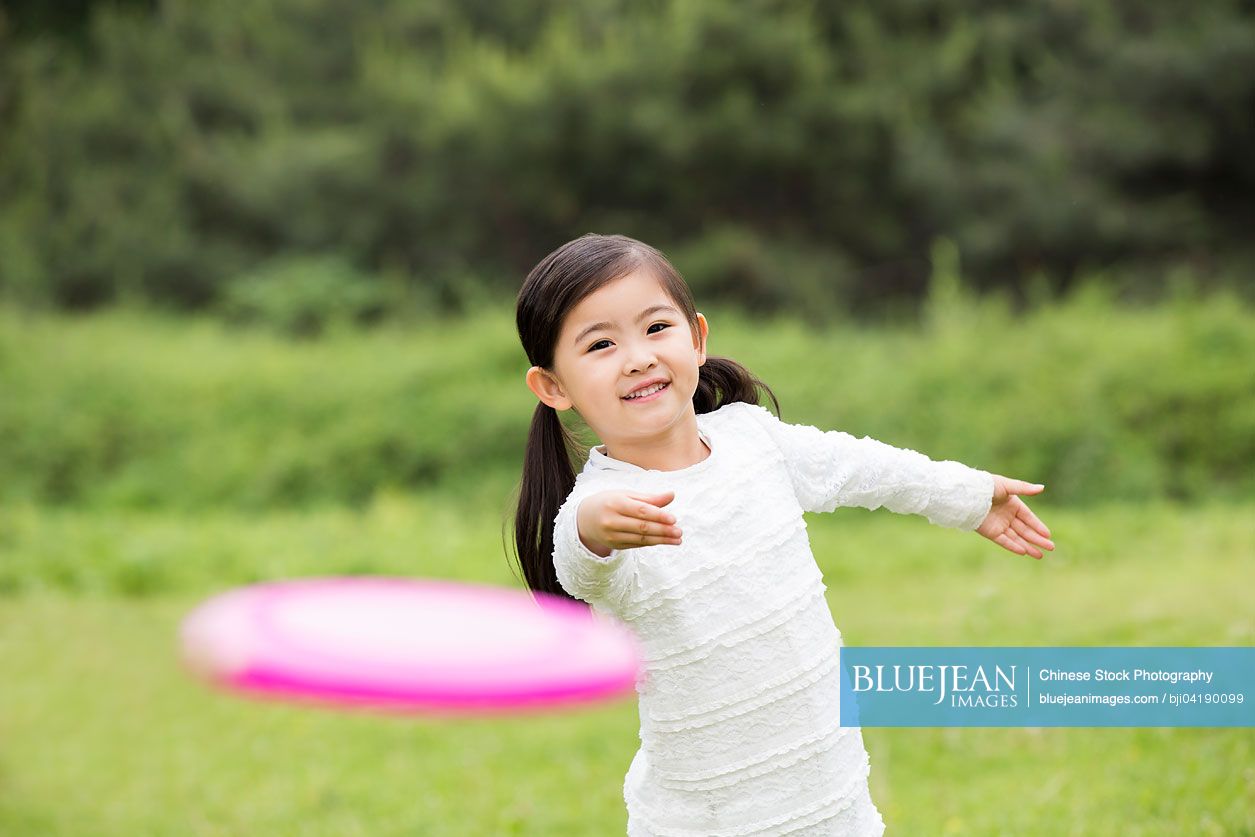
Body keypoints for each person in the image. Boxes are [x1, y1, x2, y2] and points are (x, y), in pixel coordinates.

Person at [510, 233, 1054, 836]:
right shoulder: (603, 505)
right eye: (601, 344)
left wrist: (969, 497)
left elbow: (860, 466)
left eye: (656, 328)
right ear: (553, 387)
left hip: (828, 790)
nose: (637, 356)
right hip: (707, 817)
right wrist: (595, 530)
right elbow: (579, 564)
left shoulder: (752, 439)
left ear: (696, 337)